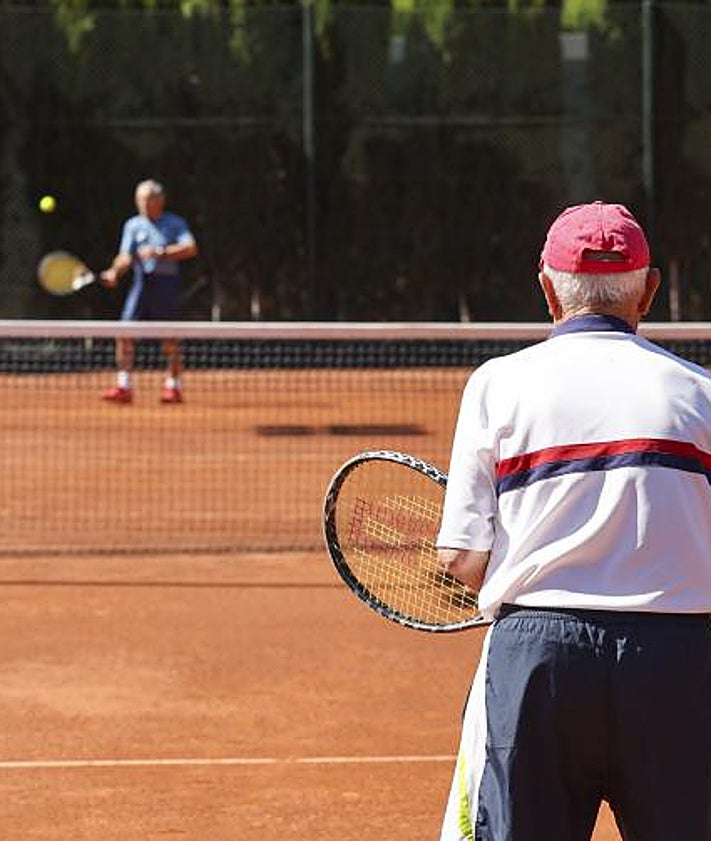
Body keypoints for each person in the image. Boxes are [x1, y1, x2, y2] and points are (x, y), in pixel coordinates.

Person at [436, 201, 711, 841]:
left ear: (548, 293)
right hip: (680, 661)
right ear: (649, 291)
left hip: (538, 660)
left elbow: (460, 558)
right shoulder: (702, 392)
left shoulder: (497, 384)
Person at [100, 179, 199, 404]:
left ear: (160, 200)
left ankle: (173, 386)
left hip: (166, 284)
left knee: (169, 338)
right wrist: (115, 271)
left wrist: (160, 252)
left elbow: (191, 247)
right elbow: (125, 255)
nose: (143, 203)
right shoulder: (133, 225)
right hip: (141, 284)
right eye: (140, 199)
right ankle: (123, 385)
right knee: (124, 333)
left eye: (147, 199)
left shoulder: (175, 223)